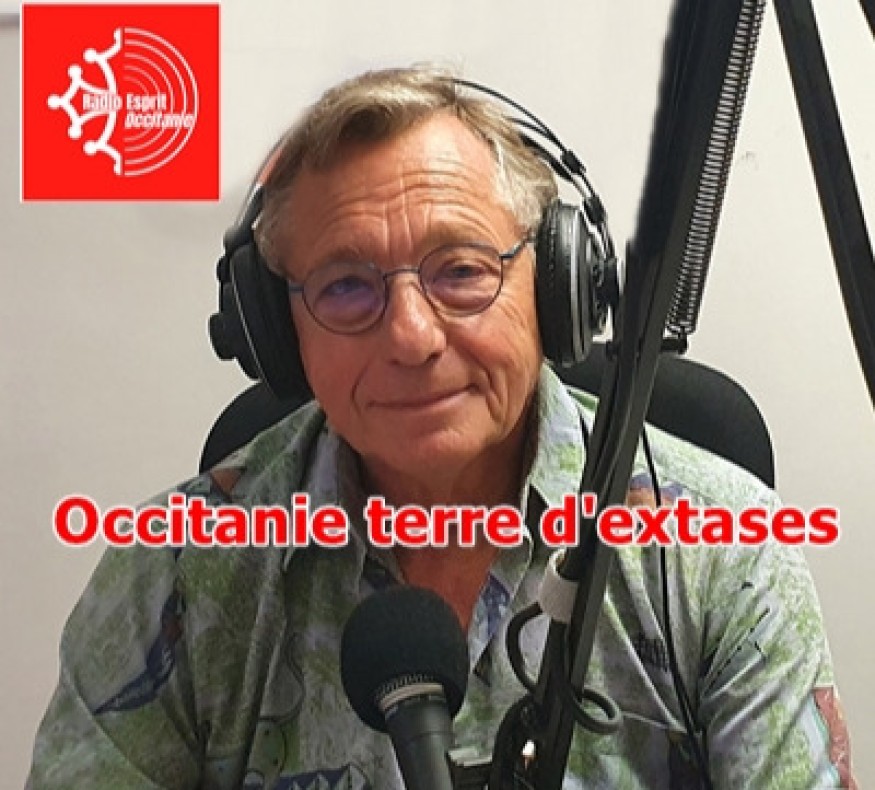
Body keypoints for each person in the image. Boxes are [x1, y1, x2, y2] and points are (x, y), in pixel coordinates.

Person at [27, 66, 855, 789]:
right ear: (276, 333)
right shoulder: (170, 575)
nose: (411, 337)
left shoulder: (724, 556)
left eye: (461, 271)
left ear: (558, 286)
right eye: (345, 286)